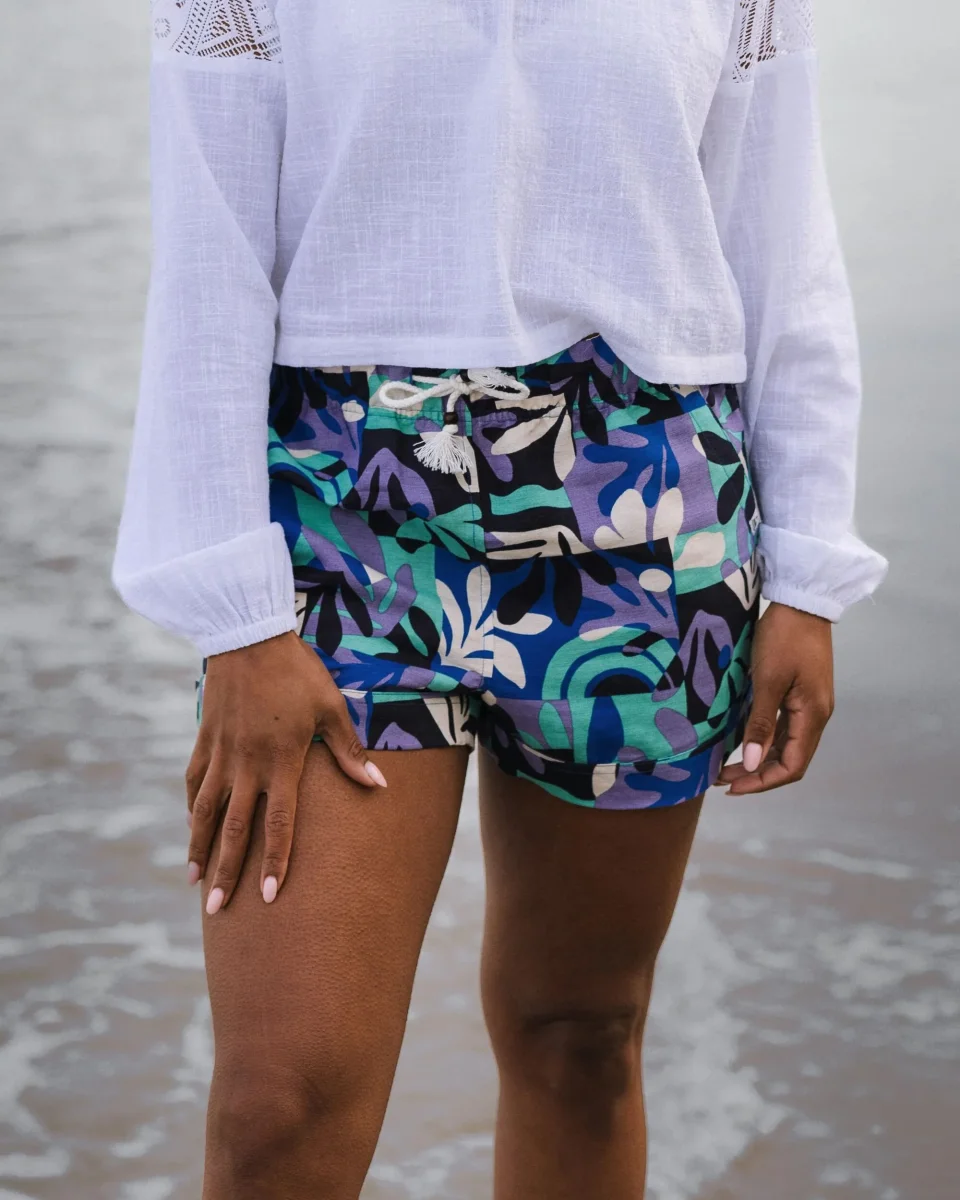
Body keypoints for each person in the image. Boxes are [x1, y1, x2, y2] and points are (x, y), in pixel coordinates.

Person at [112, 1, 887, 1195]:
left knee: (581, 1036)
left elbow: (785, 258)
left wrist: (811, 570)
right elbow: (204, 273)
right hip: (346, 519)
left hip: (651, 526)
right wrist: (239, 621)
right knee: (281, 1105)